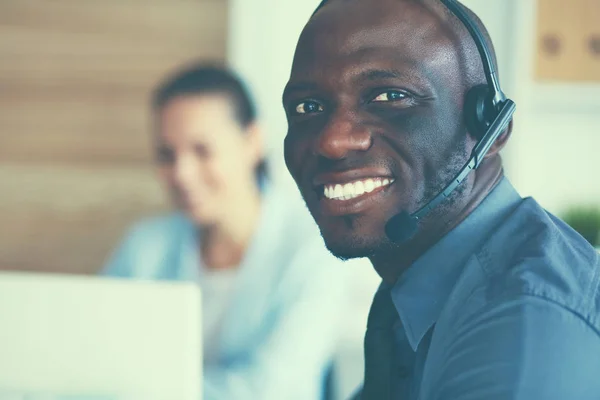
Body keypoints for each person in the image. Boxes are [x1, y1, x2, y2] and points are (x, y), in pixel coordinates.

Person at [282, 0, 600, 399]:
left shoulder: (522, 330)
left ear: (491, 128)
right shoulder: (424, 280)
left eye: (389, 97)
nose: (332, 141)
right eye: (307, 107)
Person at [102, 63, 351, 400]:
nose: (182, 173)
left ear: (252, 141)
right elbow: (99, 360)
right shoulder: (144, 245)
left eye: (202, 151)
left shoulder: (316, 249)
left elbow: (274, 389)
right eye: (166, 154)